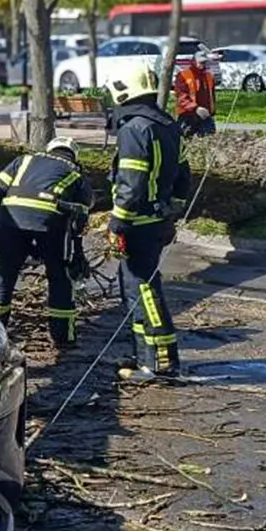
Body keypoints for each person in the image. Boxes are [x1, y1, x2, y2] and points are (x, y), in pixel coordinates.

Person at [107, 62, 189, 381]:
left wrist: (117, 223)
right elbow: (184, 176)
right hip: (156, 221)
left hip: (137, 223)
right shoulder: (167, 124)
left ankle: (161, 363)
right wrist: (172, 213)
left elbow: (131, 181)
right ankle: (144, 354)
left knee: (143, 290)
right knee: (133, 289)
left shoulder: (134, 128)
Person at [0, 135, 90, 348]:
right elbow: (84, 209)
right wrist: (75, 245)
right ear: (73, 155)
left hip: (11, 223)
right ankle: (63, 338)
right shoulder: (76, 172)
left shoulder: (24, 161)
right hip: (51, 227)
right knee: (60, 276)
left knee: (4, 273)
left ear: (50, 149)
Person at [171, 43, 217, 138]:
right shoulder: (183, 75)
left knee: (208, 141)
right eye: (200, 63)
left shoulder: (209, 76)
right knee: (185, 141)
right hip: (187, 116)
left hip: (205, 116)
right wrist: (196, 108)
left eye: (204, 63)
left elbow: (212, 96)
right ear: (194, 62)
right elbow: (181, 97)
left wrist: (211, 112)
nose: (202, 65)